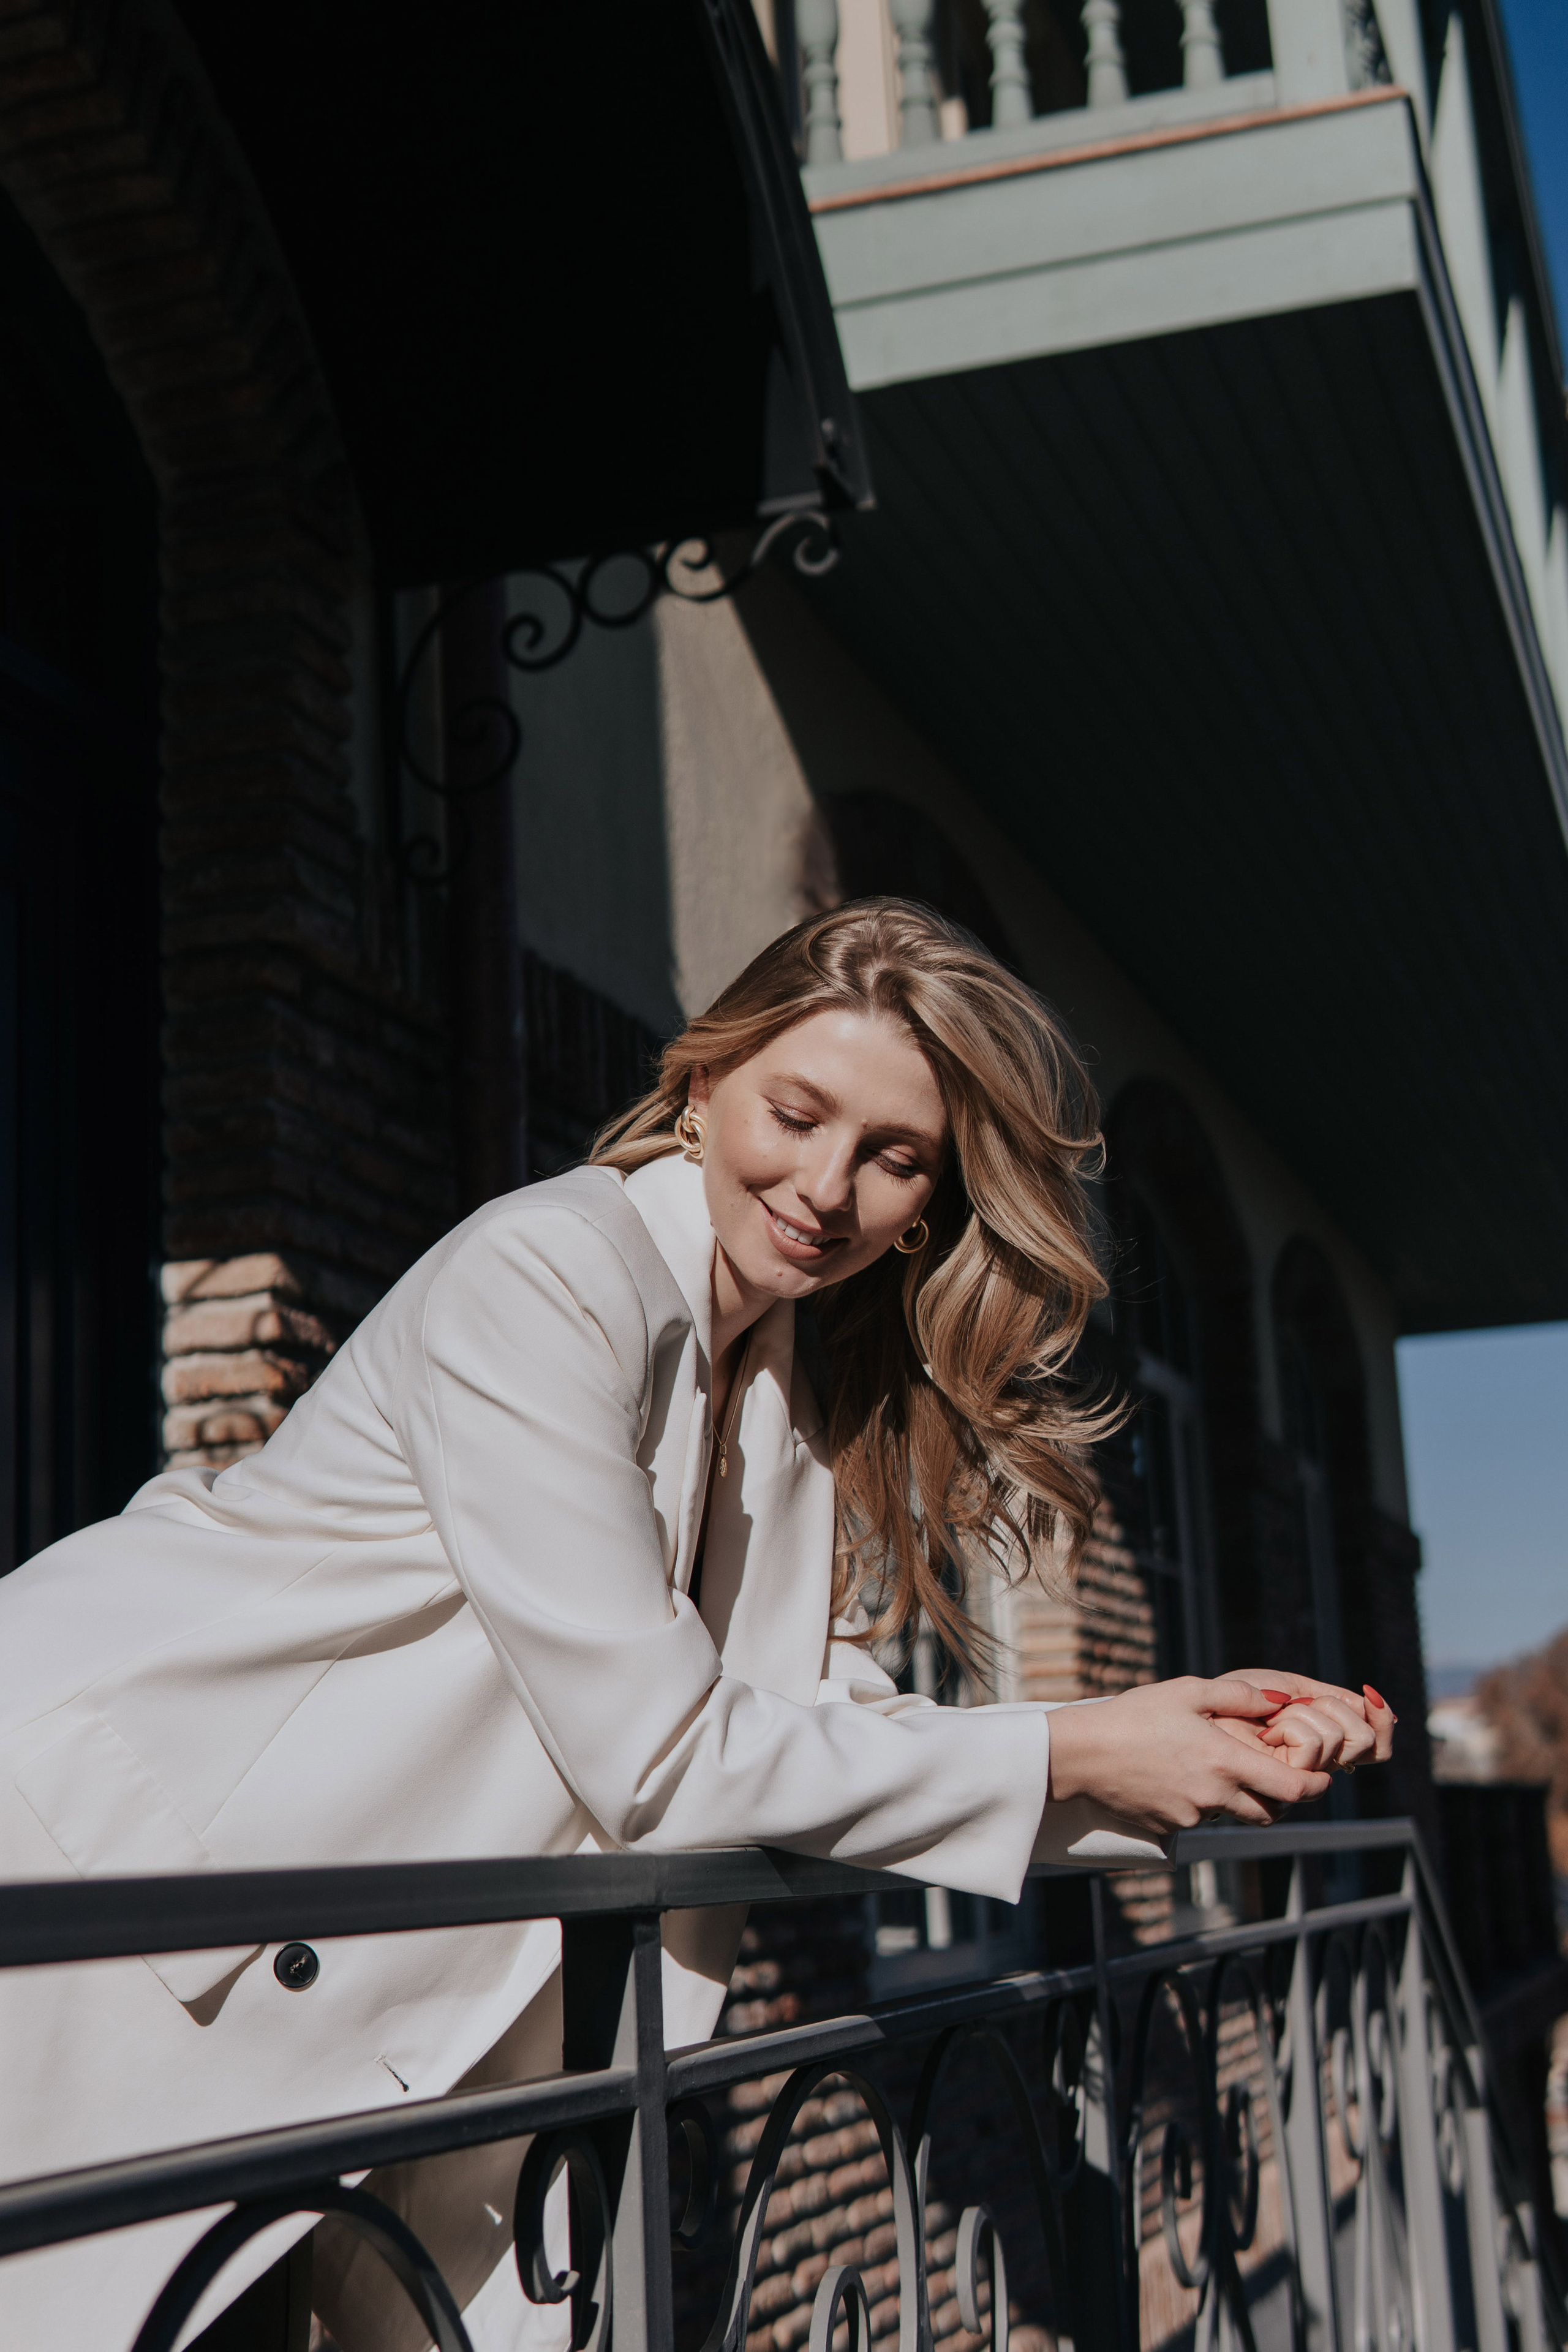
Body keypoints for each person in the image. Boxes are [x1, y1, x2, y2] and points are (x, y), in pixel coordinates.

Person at [0, 900, 1392, 2351]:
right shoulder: (547, 1273)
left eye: (891, 1156)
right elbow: (664, 1758)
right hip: (113, 1878)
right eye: (795, 1114)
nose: (824, 1187)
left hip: (329, 1982)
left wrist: (1166, 1744)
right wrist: (1073, 1751)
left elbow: (803, 1712)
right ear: (700, 1081)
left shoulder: (772, 1386)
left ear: (928, 1202)